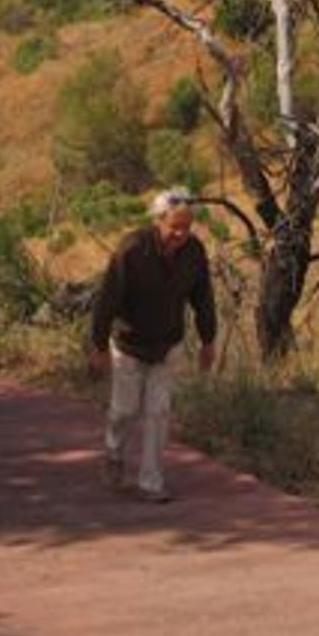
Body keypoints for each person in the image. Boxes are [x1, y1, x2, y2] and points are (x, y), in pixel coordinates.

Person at [88, 188, 217, 503]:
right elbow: (106, 300)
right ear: (158, 220)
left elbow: (203, 299)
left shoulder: (194, 252)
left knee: (158, 413)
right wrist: (98, 345)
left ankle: (151, 483)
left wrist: (208, 339)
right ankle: (114, 454)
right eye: (174, 226)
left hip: (167, 344)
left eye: (186, 227)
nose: (180, 234)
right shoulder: (132, 249)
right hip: (128, 343)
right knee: (124, 411)